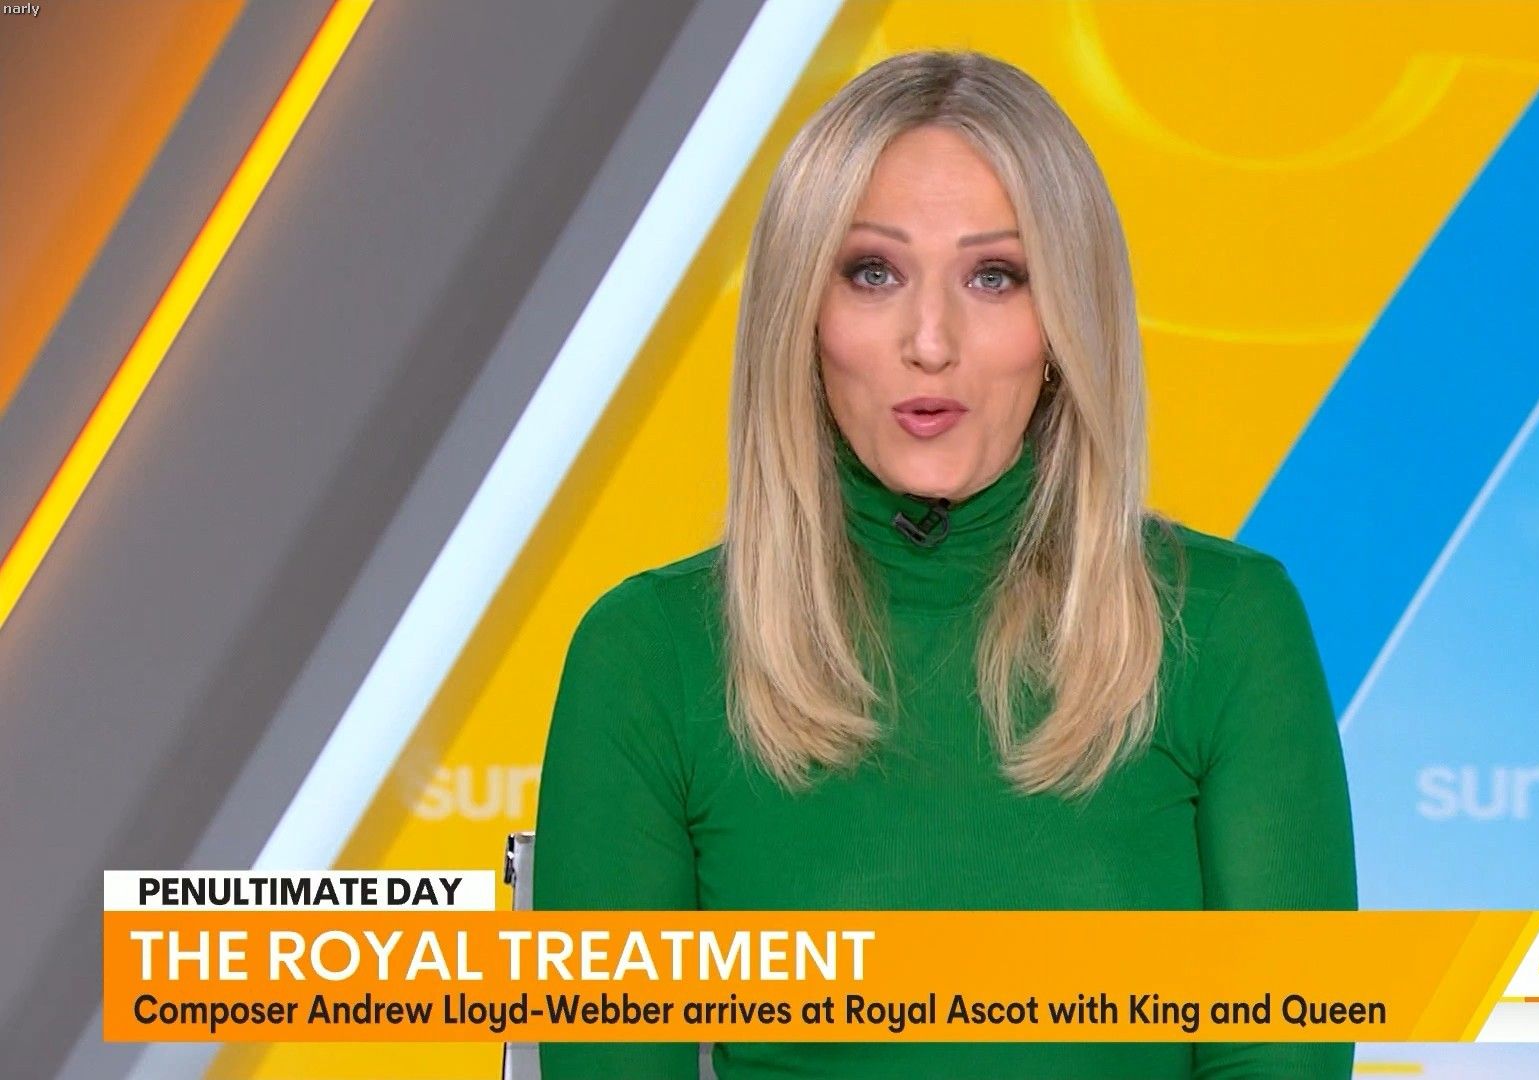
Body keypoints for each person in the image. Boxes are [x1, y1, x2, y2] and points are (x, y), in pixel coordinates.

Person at [534, 48, 1357, 1079]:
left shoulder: (1228, 626)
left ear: (1064, 322)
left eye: (994, 276)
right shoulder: (648, 654)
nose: (931, 341)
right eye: (873, 273)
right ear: (802, 313)